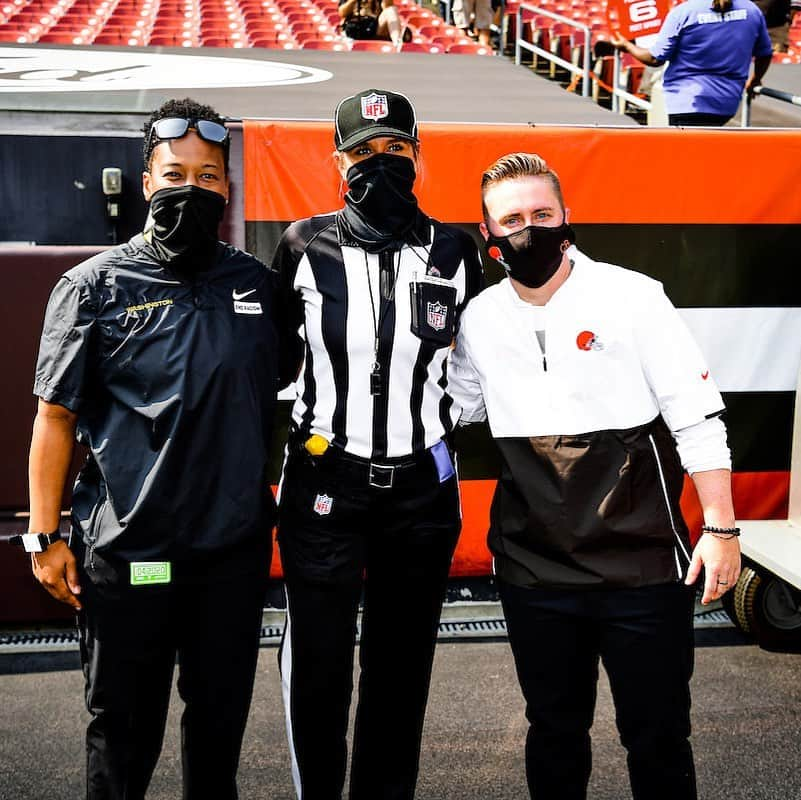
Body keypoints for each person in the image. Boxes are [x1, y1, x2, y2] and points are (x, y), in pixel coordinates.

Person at [447, 152, 740, 800]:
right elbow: (448, 409)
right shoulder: (478, 318)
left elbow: (695, 414)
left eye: (541, 214)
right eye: (513, 218)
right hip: (533, 567)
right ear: (487, 232)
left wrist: (720, 528)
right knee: (553, 731)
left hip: (640, 566)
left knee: (658, 735)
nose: (529, 229)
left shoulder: (631, 296)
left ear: (566, 218)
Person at [15, 98, 279, 799]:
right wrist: (43, 537)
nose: (189, 186)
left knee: (218, 736)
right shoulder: (92, 286)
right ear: (145, 181)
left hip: (231, 555)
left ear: (227, 186)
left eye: (208, 174)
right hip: (130, 556)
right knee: (123, 737)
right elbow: (54, 418)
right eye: (172, 173)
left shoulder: (256, 286)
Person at [272, 88, 484, 800]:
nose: (379, 163)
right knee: (321, 664)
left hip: (421, 492)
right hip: (325, 485)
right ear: (338, 161)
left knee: (401, 669)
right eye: (362, 151)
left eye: (394, 149)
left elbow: (472, 367)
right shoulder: (302, 245)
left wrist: (438, 426)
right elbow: (274, 366)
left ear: (418, 155)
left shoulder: (456, 249)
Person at [612, 0, 773, 126]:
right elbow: (765, 53)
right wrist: (756, 78)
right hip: (727, 104)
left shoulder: (684, 12)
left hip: (687, 102)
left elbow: (655, 59)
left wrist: (627, 45)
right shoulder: (752, 11)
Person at [338, 0, 407, 45]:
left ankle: (397, 42)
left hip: (374, 26)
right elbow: (342, 13)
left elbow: (387, 7)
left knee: (391, 9)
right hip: (355, 27)